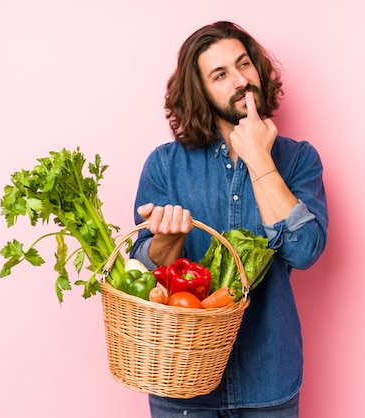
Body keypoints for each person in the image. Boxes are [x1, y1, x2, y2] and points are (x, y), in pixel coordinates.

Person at [131, 20, 328, 417]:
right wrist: (166, 239)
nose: (241, 80)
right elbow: (140, 276)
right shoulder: (166, 165)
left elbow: (305, 250)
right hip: (181, 389)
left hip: (269, 382)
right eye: (220, 75)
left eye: (244, 65)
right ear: (200, 91)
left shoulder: (298, 159)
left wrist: (258, 158)